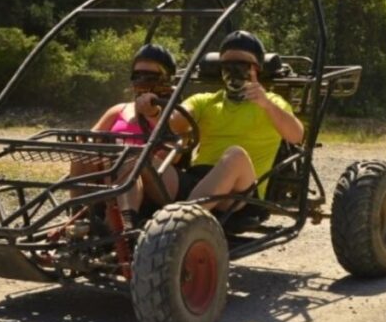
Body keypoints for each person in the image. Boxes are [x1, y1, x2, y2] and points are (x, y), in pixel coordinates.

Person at [167, 30, 304, 212]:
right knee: (136, 159)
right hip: (198, 182)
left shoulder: (272, 102)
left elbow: (296, 136)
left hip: (241, 194)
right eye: (227, 66)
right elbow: (174, 123)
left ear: (256, 69)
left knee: (235, 156)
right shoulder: (204, 100)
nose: (233, 72)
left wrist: (265, 104)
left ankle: (183, 218)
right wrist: (158, 110)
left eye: (242, 65)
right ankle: (125, 227)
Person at [68, 43, 180, 227]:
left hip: (160, 180)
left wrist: (152, 114)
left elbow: (175, 155)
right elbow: (90, 138)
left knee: (129, 156)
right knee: (83, 152)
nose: (142, 82)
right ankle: (80, 220)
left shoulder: (175, 112)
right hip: (113, 175)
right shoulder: (119, 110)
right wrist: (88, 142)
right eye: (137, 76)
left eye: (150, 77)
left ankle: (126, 225)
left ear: (166, 80)